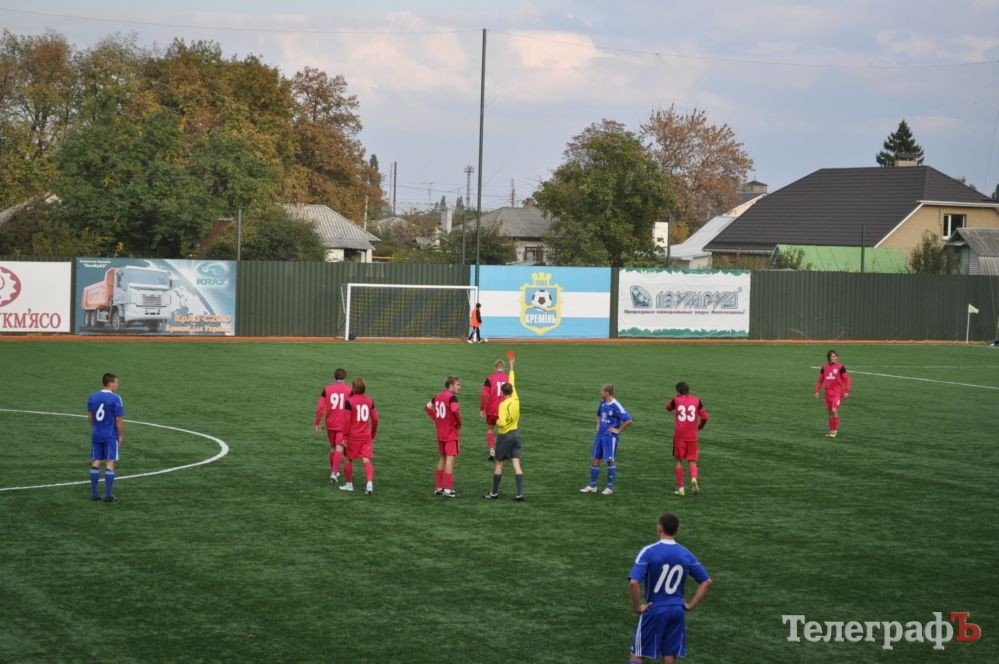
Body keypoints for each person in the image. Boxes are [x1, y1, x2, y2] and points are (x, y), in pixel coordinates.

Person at [628, 512, 712, 663]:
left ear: (659, 528)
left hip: (655, 608)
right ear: (677, 530)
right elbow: (706, 581)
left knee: (638, 653)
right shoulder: (685, 553)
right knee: (669, 653)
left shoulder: (649, 551)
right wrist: (690, 605)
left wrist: (637, 607)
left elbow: (634, 582)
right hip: (677, 610)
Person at [483, 354, 524, 501]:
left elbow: (501, 422)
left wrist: (498, 421)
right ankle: (520, 493)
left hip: (505, 435)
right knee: (516, 464)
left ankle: (494, 493)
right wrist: (512, 366)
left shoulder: (503, 405)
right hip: (516, 435)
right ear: (512, 390)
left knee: (499, 464)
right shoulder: (516, 398)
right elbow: (512, 380)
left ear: (503, 392)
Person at [580, 384, 633, 496]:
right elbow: (598, 414)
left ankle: (609, 488)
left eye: (602, 391)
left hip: (610, 437)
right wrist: (598, 425)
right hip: (600, 436)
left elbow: (628, 420)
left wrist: (618, 430)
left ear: (607, 393)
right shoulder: (602, 403)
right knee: (595, 459)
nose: (600, 393)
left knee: (610, 460)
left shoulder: (616, 406)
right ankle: (592, 486)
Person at [87, 372, 125, 503]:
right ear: (110, 383)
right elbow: (118, 419)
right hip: (110, 435)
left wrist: (97, 427)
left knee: (96, 461)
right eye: (116, 382)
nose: (117, 385)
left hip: (96, 433)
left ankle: (95, 494)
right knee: (110, 462)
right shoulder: (116, 398)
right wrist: (120, 435)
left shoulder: (93, 397)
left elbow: (90, 417)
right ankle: (108, 495)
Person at [666, 382, 708, 497]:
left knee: (679, 461)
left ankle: (681, 488)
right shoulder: (697, 400)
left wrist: (676, 400)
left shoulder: (676, 400)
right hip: (692, 436)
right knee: (692, 461)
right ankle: (694, 478)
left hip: (679, 436)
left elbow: (668, 408)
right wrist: (701, 426)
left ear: (678, 391)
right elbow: (705, 417)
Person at [339, 376, 379, 495]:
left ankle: (349, 484)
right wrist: (373, 433)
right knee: (366, 459)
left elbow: (346, 421)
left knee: (348, 459)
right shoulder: (370, 400)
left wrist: (344, 437)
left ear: (354, 388)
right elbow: (375, 419)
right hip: (366, 435)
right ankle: (369, 483)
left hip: (353, 436)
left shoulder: (349, 402)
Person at [425, 375, 463, 497]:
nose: (459, 387)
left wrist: (436, 418)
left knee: (442, 458)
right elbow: (455, 411)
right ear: (450, 385)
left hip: (440, 432)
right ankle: (447, 489)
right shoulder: (452, 398)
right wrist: (459, 423)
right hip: (450, 433)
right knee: (450, 460)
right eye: (457, 385)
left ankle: (439, 487)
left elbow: (427, 408)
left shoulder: (437, 396)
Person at [315, 368, 352, 485]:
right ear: (345, 377)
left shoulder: (327, 389)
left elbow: (320, 407)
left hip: (330, 423)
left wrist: (317, 422)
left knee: (332, 447)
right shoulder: (349, 390)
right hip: (343, 424)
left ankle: (333, 471)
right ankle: (334, 473)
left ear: (335, 377)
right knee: (339, 448)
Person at [814, 349, 851, 438]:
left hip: (837, 393)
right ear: (829, 357)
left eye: (836, 356)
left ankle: (835, 430)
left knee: (834, 410)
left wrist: (847, 391)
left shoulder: (841, 367)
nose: (835, 358)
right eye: (833, 356)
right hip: (827, 394)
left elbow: (847, 380)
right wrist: (817, 391)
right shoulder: (824, 367)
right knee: (830, 412)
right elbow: (820, 381)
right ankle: (831, 430)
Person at [480, 358, 509, 461]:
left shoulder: (490, 378)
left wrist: (482, 408)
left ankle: (492, 450)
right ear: (504, 367)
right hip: (504, 410)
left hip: (492, 409)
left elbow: (484, 394)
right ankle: (503, 451)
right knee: (504, 431)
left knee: (490, 429)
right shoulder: (508, 378)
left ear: (495, 367)